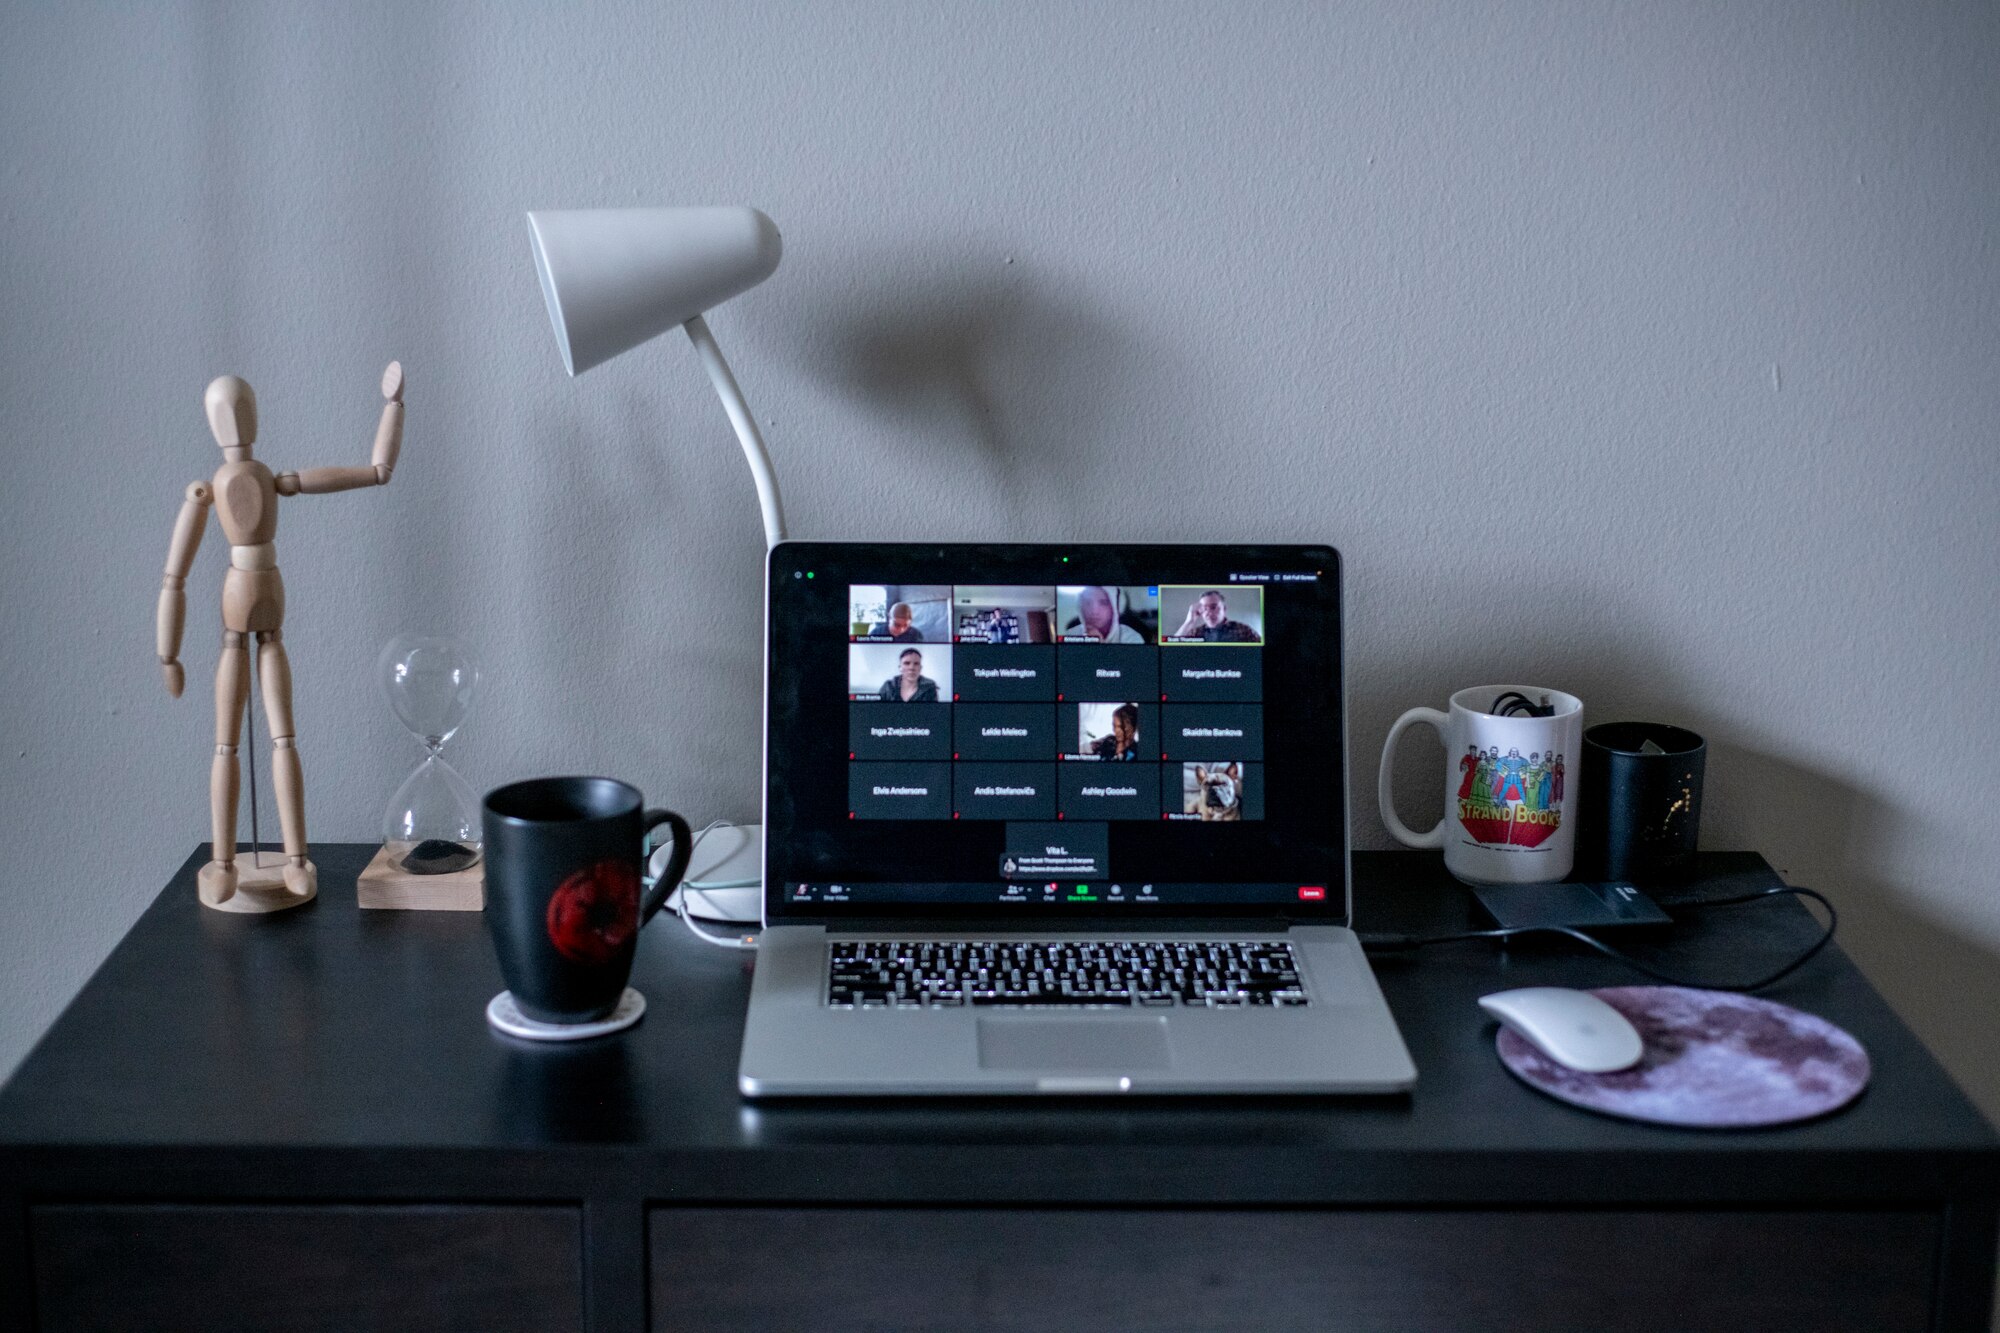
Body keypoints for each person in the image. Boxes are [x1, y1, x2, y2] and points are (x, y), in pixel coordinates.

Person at [1170, 589, 1260, 643]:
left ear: (1224, 609)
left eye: (1213, 607)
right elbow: (1169, 649)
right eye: (1204, 608)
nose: (1208, 612)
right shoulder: (1195, 633)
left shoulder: (1243, 630)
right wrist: (1189, 622)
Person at [1072, 585, 1144, 643]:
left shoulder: (1131, 638)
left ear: (1115, 607)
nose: (1094, 611)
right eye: (1087, 603)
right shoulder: (1071, 634)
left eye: (1104, 603)